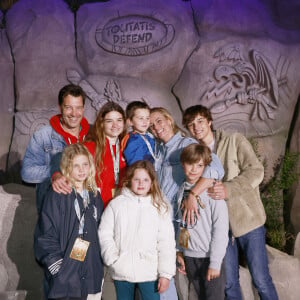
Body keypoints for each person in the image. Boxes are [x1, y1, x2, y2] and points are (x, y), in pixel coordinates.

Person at [182, 105, 278, 300]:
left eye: (200, 121)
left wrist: (228, 189)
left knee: (261, 279)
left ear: (209, 120)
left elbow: (256, 171)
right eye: (191, 124)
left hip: (247, 220)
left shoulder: (234, 140)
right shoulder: (194, 152)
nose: (196, 127)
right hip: (219, 227)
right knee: (229, 283)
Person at [149, 107, 224, 300]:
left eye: (159, 121)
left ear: (169, 119)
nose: (156, 127)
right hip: (170, 226)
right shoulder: (158, 150)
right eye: (151, 125)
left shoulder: (186, 143)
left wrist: (193, 194)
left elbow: (215, 166)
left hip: (184, 225)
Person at [34, 143, 104, 300]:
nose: (81, 170)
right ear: (67, 167)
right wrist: (58, 267)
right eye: (76, 166)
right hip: (67, 267)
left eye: (85, 164)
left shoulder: (93, 195)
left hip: (92, 268)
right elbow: (46, 233)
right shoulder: (58, 194)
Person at [98, 160, 176, 300]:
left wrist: (165, 274)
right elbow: (105, 233)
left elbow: (166, 243)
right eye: (137, 179)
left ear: (152, 182)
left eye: (145, 179)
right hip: (122, 270)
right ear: (129, 181)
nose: (141, 183)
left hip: (149, 272)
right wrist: (112, 258)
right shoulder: (117, 204)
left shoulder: (160, 207)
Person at [21, 84, 89, 213]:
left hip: (87, 205)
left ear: (83, 108)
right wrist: (55, 173)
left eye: (78, 108)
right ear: (60, 107)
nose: (74, 114)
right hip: (57, 208)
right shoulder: (43, 135)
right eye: (68, 108)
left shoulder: (92, 135)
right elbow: (27, 172)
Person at [176, 143, 228, 300]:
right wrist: (181, 251)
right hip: (190, 258)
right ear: (182, 163)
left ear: (205, 167)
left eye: (199, 165)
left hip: (209, 257)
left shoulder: (213, 192)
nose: (194, 169)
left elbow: (220, 230)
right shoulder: (181, 190)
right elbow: (183, 224)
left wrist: (215, 263)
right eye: (190, 164)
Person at [84, 102, 127, 207]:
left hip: (121, 206)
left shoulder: (128, 147)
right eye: (109, 121)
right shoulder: (89, 147)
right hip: (97, 205)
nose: (115, 125)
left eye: (119, 120)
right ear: (101, 123)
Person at [122, 101, 156, 165]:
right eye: (141, 118)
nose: (145, 121)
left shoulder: (149, 136)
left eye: (147, 118)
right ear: (130, 121)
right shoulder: (133, 140)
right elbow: (135, 164)